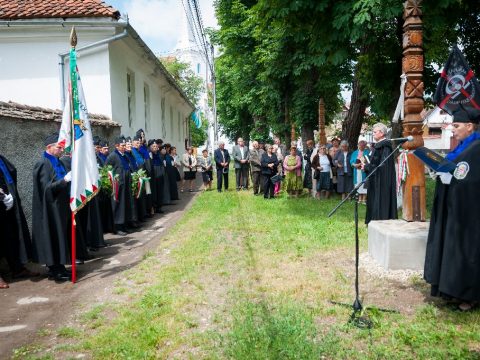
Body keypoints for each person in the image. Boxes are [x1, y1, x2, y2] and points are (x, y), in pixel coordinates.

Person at [424, 109, 480, 312]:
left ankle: (469, 295)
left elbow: (472, 178)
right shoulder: (464, 146)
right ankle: (452, 290)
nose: (453, 130)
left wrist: (453, 177)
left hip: (469, 212)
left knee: (467, 251)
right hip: (455, 207)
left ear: (469, 126)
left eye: (456, 126)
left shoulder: (477, 147)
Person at [32, 133, 73, 281]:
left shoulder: (59, 161)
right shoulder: (43, 163)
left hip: (61, 207)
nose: (62, 149)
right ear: (49, 147)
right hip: (50, 209)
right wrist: (65, 181)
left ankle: (60, 266)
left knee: (60, 237)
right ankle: (54, 270)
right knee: (53, 237)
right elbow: (46, 189)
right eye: (59, 146)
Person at [0, 154, 37, 288]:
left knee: (10, 237)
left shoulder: (2, 158)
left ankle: (17, 269)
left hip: (6, 204)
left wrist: (6, 194)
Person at [361, 123, 397, 224]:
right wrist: (367, 166)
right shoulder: (378, 146)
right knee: (373, 200)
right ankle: (372, 221)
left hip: (382, 180)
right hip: (374, 178)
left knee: (380, 201)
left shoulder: (385, 146)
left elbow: (383, 165)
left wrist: (368, 167)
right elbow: (375, 162)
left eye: (375, 132)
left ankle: (379, 221)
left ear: (381, 133)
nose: (373, 134)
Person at [105, 136, 135, 235]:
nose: (124, 147)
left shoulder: (125, 155)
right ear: (117, 146)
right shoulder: (113, 156)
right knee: (118, 206)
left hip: (126, 185)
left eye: (124, 145)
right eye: (122, 145)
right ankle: (117, 227)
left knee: (125, 205)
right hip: (118, 185)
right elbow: (107, 170)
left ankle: (124, 224)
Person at [350, 139, 369, 204]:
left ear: (365, 146)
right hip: (357, 171)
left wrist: (361, 164)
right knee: (358, 184)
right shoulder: (355, 152)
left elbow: (368, 160)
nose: (361, 147)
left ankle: (364, 199)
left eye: (362, 145)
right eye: (359, 145)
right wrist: (354, 164)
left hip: (364, 171)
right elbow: (351, 161)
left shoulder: (367, 152)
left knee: (364, 184)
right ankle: (359, 198)